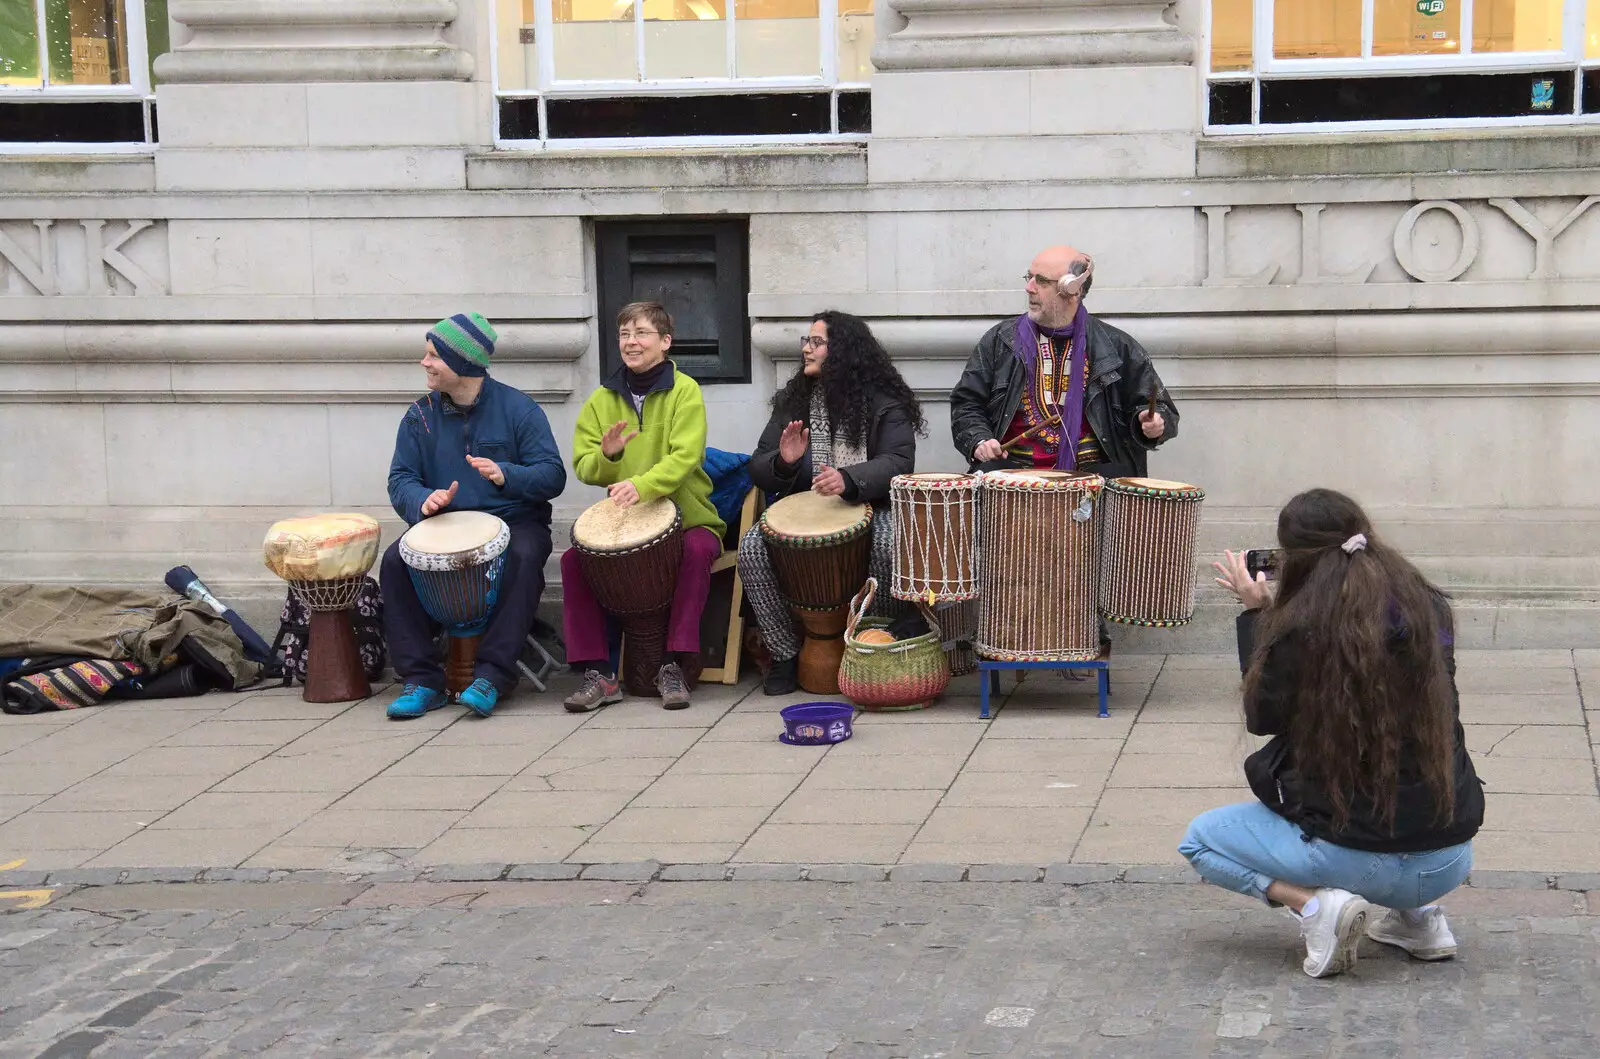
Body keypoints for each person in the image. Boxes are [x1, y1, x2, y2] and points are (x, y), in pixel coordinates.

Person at [1182, 488, 1484, 979]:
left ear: (1294, 559)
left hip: (1361, 859)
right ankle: (1420, 919)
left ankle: (1316, 910)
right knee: (1409, 763)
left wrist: (1260, 616)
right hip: (1449, 858)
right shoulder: (1426, 607)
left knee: (1201, 841)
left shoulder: (1304, 627)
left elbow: (1263, 717)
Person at [382, 312, 567, 720]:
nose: (424, 363)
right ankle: (422, 680)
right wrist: (422, 501)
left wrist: (507, 474)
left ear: (462, 364)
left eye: (433, 355)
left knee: (522, 555)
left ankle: (494, 675)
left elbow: (553, 475)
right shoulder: (420, 416)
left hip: (514, 521)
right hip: (442, 525)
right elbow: (400, 478)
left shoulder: (519, 409)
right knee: (394, 561)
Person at [740, 311, 921, 695]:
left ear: (843, 352)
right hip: (803, 510)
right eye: (807, 341)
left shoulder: (884, 401)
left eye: (816, 342)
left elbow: (899, 461)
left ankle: (873, 645)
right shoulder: (795, 402)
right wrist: (784, 462)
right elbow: (759, 464)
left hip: (873, 505)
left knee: (888, 542)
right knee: (752, 547)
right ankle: (785, 656)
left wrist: (849, 479)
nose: (807, 348)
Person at [561, 301, 725, 712]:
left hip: (688, 517)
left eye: (641, 334)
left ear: (666, 342)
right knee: (572, 561)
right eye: (624, 335)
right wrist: (610, 457)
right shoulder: (601, 399)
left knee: (698, 550)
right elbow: (584, 465)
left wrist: (643, 484)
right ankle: (599, 671)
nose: (630, 343)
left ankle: (674, 663)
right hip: (624, 523)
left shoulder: (684, 390)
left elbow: (685, 456)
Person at [948, 245, 1177, 478]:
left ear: (1072, 290)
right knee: (988, 475)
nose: (1029, 288)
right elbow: (966, 403)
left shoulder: (1117, 347)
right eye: (1029, 277)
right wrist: (979, 439)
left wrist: (1152, 424)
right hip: (1014, 471)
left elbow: (1159, 408)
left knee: (1117, 478)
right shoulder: (1000, 341)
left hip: (1093, 474)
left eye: (1042, 281)